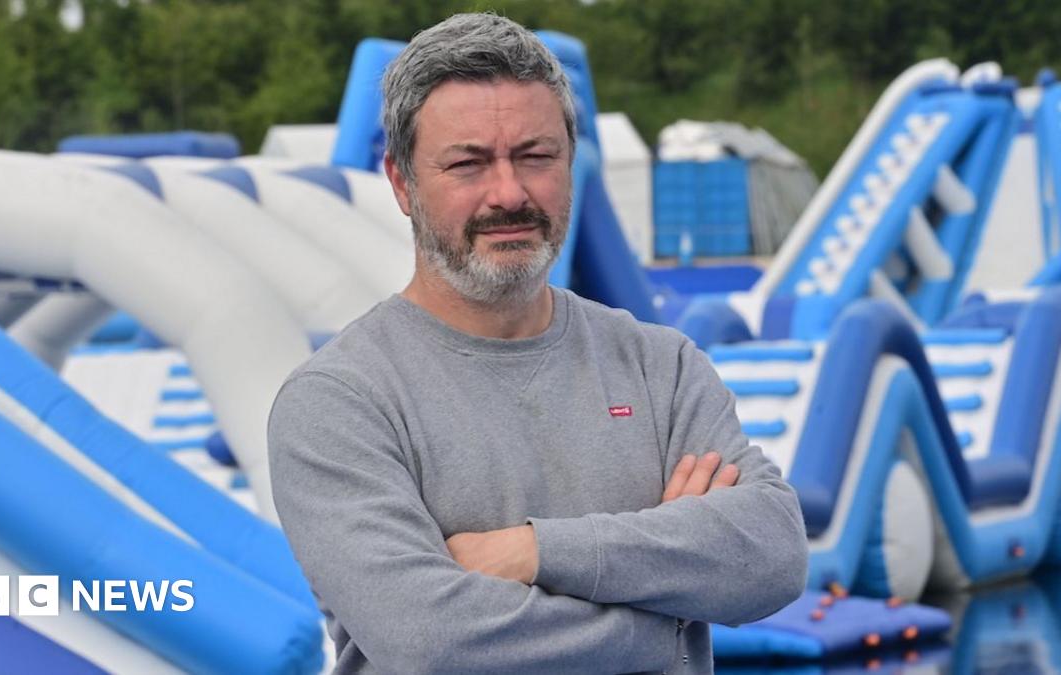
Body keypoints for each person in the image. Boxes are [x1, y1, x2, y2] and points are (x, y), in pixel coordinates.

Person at [268, 13, 807, 674]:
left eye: (536, 156)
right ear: (403, 183)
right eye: (469, 164)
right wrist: (668, 608)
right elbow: (434, 640)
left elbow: (774, 552)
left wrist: (535, 551)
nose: (510, 193)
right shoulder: (340, 401)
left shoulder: (658, 366)